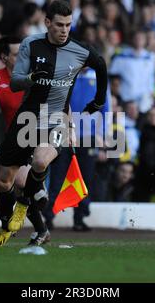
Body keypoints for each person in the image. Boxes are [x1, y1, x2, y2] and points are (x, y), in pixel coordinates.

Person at [0, 0, 107, 241]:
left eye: (68, 25)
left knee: (41, 161)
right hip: (27, 118)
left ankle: (24, 204)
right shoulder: (31, 45)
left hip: (57, 118)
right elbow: (15, 83)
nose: (64, 30)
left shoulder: (80, 50)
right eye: (59, 25)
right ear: (47, 23)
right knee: (3, 181)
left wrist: (98, 101)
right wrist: (32, 77)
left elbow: (101, 65)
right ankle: (7, 227)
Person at [0, 36, 50, 247]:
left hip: (37, 134)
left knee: (22, 182)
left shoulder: (35, 74)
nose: (24, 56)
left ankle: (36, 195)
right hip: (14, 139)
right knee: (3, 183)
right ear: (4, 57)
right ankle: (32, 229)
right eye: (17, 53)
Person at [43, 67, 111, 231]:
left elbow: (105, 108)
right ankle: (49, 217)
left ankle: (79, 218)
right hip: (64, 135)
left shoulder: (99, 79)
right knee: (58, 177)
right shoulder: (64, 77)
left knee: (84, 179)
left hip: (89, 138)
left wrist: (102, 135)